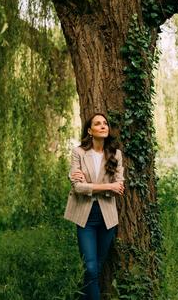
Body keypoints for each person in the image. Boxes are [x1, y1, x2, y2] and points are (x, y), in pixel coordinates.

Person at [64, 113, 125, 300]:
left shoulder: (116, 154)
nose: (103, 126)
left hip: (107, 217)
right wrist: (108, 187)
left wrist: (94, 186)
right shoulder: (79, 153)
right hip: (85, 216)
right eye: (97, 124)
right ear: (90, 131)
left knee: (96, 268)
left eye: (105, 123)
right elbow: (79, 187)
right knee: (90, 267)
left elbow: (120, 186)